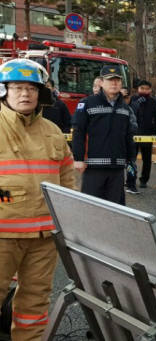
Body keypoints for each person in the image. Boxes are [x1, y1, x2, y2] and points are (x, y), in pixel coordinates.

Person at [0, 59, 75, 341]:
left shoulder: (53, 132)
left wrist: (67, 221)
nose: (25, 94)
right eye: (17, 87)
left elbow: (67, 180)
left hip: (44, 236)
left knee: (35, 303)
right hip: (3, 233)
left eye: (31, 88)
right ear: (4, 91)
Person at [73, 65, 136, 205]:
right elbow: (79, 132)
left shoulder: (125, 108)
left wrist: (131, 160)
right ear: (101, 82)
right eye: (110, 80)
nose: (114, 83)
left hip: (117, 168)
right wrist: (78, 158)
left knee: (116, 210)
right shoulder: (87, 104)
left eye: (117, 80)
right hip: (94, 167)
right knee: (91, 207)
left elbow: (128, 136)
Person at [126, 80, 156, 191]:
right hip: (133, 134)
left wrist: (155, 133)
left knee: (146, 159)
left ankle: (144, 180)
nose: (144, 90)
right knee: (131, 159)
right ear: (138, 89)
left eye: (147, 88)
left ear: (150, 90)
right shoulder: (133, 99)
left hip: (147, 134)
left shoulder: (154, 102)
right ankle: (130, 179)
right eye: (142, 88)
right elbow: (129, 114)